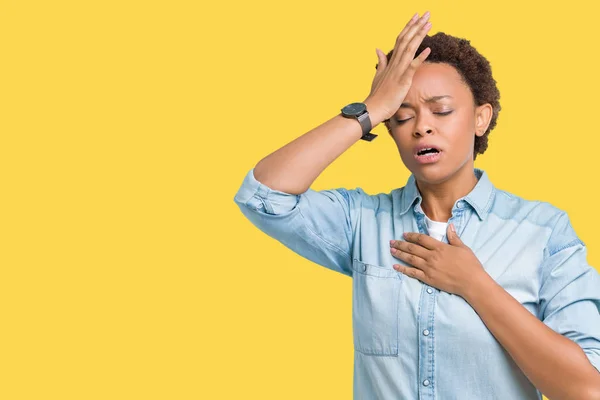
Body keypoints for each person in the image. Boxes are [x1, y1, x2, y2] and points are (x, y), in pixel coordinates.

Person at [233, 11, 600, 400]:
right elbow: (264, 194)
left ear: (481, 118)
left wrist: (475, 286)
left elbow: (587, 388)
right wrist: (370, 110)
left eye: (441, 111)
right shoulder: (362, 222)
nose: (422, 126)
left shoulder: (542, 233)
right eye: (403, 116)